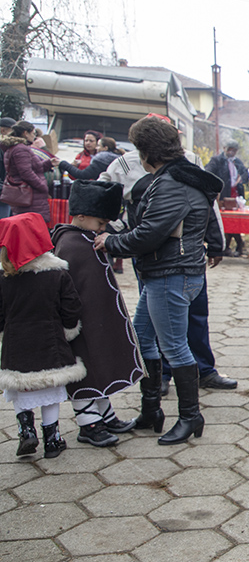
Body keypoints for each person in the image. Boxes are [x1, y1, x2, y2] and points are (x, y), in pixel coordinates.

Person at [94, 117, 225, 445]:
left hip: (170, 273)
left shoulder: (171, 184)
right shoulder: (180, 177)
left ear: (148, 152)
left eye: (139, 149)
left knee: (174, 347)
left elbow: (149, 234)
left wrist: (110, 243)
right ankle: (151, 409)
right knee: (143, 336)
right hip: (170, 272)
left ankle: (190, 416)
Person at [101, 140, 237, 393]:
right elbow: (111, 203)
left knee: (187, 324)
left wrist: (216, 244)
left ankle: (200, 376)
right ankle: (159, 382)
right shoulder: (123, 165)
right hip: (155, 262)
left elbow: (209, 208)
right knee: (152, 329)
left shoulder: (185, 167)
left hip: (179, 262)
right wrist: (113, 232)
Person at [51, 180, 142, 447]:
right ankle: (87, 422)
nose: (103, 229)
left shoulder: (86, 237)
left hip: (96, 319)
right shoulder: (69, 244)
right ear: (81, 216)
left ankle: (105, 414)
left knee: (98, 364)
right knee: (83, 369)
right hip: (77, 323)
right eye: (100, 223)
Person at [0, 212, 83, 459]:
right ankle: (52, 439)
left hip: (17, 343)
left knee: (20, 387)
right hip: (50, 341)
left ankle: (26, 431)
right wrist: (69, 329)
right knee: (50, 389)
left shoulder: (4, 277)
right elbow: (71, 306)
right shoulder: (57, 273)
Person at [2, 121, 55, 222]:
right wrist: (42, 186)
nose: (34, 137)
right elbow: (26, 173)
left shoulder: (16, 148)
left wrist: (49, 163)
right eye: (33, 133)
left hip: (26, 193)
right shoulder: (20, 149)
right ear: (26, 133)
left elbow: (35, 168)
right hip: (29, 194)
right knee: (31, 225)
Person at [205, 139, 249, 256]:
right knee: (225, 222)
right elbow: (208, 173)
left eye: (234, 150)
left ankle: (230, 247)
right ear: (224, 149)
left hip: (236, 196)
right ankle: (233, 245)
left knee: (235, 221)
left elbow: (245, 174)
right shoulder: (216, 161)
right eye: (230, 149)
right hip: (222, 196)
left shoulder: (238, 162)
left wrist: (241, 179)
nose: (231, 152)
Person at [56, 136, 120, 180]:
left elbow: (82, 175)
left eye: (98, 146)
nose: (96, 148)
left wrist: (63, 163)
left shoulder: (101, 161)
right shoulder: (118, 159)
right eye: (86, 140)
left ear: (105, 148)